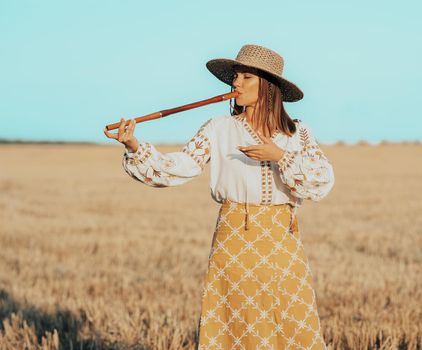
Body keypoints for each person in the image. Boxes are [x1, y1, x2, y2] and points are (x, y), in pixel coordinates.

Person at [104, 44, 335, 349]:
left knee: (290, 320)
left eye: (246, 77)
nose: (236, 83)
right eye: (235, 76)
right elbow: (180, 167)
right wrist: (134, 145)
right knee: (237, 323)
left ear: (268, 87)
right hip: (235, 238)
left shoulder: (298, 134)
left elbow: (320, 182)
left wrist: (280, 156)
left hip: (282, 239)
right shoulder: (218, 128)